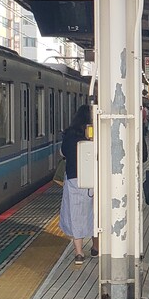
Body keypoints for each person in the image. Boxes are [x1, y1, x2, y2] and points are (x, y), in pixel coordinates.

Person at [59, 104, 98, 265]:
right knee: (96, 213)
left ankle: (79, 252)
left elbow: (63, 153)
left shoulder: (69, 134)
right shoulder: (97, 133)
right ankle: (96, 247)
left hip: (74, 178)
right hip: (95, 177)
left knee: (76, 213)